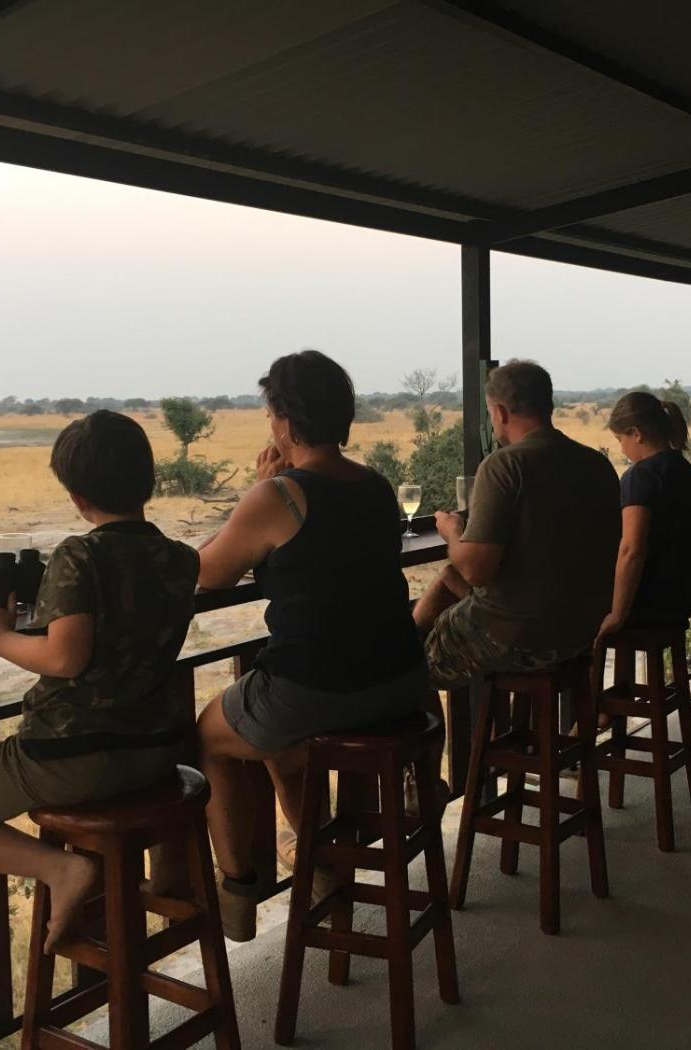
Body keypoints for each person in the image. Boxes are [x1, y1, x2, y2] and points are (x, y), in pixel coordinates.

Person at [0, 411, 200, 951]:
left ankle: (59, 868)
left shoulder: (79, 554)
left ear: (77, 496)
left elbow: (65, 658)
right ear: (149, 480)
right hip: (157, 752)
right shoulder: (181, 558)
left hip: (74, 757)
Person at [192, 350, 429, 942]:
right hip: (399, 681)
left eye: (271, 413)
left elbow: (210, 572)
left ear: (285, 421)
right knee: (281, 744)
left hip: (316, 687)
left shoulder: (280, 495)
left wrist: (258, 489)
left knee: (209, 739)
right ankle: (321, 863)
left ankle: (239, 887)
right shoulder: (377, 486)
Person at [413, 359, 620, 686]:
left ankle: (413, 694)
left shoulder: (504, 465)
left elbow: (475, 570)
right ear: (548, 405)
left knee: (411, 666)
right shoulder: (598, 465)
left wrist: (452, 531)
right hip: (581, 632)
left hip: (521, 639)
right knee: (449, 576)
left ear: (499, 412)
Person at [598, 391, 691, 643]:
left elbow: (632, 550)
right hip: (685, 597)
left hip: (650, 602)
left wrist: (617, 614)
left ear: (636, 433)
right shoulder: (689, 472)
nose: (622, 448)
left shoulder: (640, 476)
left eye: (620, 439)